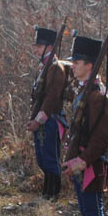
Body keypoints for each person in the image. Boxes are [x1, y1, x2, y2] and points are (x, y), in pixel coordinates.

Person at [61, 34, 108, 216]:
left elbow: (101, 139)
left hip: (91, 163)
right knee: (86, 209)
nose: (73, 65)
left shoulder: (97, 97)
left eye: (77, 62)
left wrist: (82, 160)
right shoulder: (85, 91)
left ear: (90, 65)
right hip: (80, 160)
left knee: (93, 210)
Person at [26, 26, 73, 199]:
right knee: (42, 158)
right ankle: (46, 193)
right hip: (43, 119)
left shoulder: (55, 68)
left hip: (50, 120)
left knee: (51, 159)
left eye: (40, 45)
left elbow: (52, 98)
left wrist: (39, 120)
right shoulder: (44, 67)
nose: (36, 49)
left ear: (49, 47)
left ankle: (52, 195)